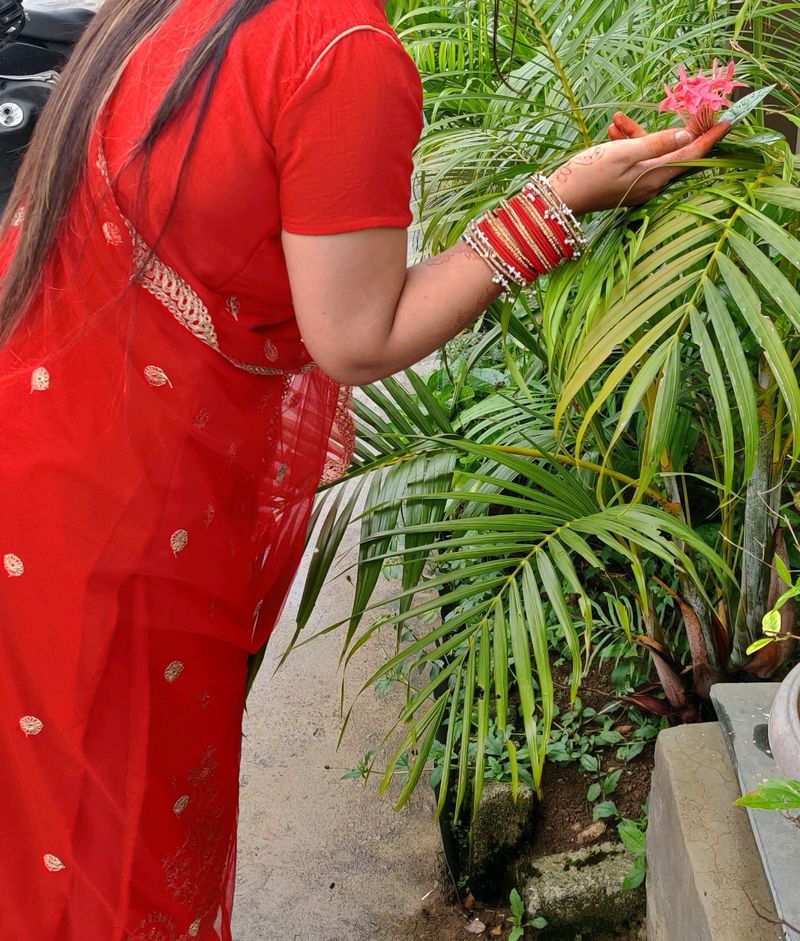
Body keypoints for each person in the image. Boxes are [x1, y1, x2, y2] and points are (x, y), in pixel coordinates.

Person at [0, 0, 727, 936]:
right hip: (121, 523)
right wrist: (563, 200)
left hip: (40, 443)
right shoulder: (340, 48)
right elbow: (356, 336)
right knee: (110, 844)